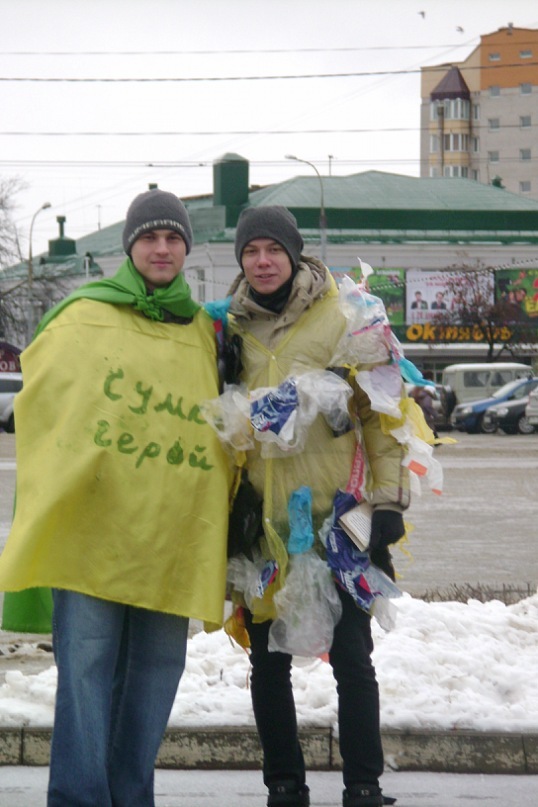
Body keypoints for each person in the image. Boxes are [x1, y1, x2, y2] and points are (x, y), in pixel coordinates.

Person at [0, 189, 232, 806]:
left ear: (186, 247)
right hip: (92, 536)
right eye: (150, 237)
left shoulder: (205, 332)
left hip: (170, 537)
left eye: (173, 237)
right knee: (85, 676)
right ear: (131, 246)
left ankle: (131, 797)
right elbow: (46, 410)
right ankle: (79, 798)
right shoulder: (82, 314)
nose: (162, 248)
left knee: (155, 678)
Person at [225, 206, 410, 807]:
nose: (262, 261)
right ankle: (284, 784)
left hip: (338, 517)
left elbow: (383, 419)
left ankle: (363, 784)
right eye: (251, 251)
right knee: (268, 664)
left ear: (294, 254)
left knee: (352, 658)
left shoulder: (345, 315)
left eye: (272, 250)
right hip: (265, 524)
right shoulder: (229, 329)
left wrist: (388, 501)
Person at [410, 370, 439, 438]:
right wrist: (434, 414)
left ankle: (436, 440)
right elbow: (427, 405)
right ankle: (435, 441)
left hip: (416, 413)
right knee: (429, 427)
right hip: (425, 414)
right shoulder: (427, 392)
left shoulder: (416, 389)